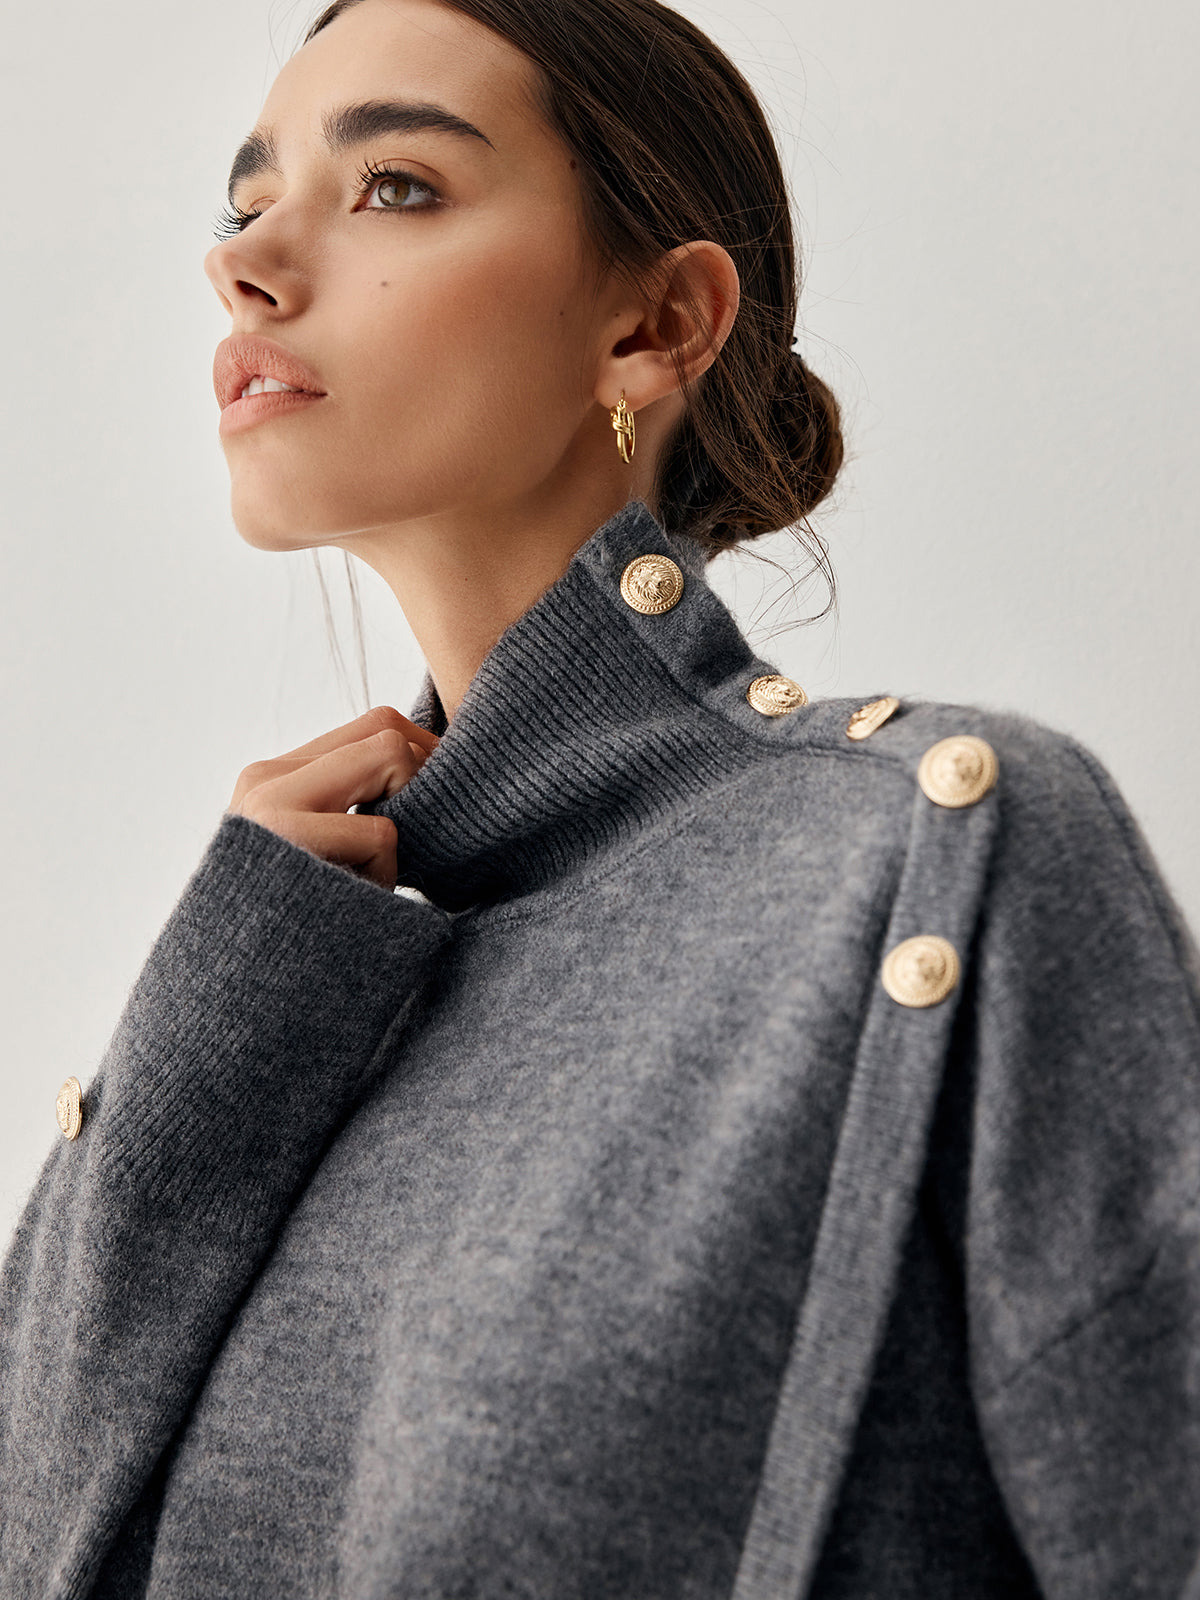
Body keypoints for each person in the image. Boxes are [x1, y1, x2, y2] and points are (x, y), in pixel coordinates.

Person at [2, 0, 1198, 1595]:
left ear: (655, 326)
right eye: (243, 202)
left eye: (395, 187)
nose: (247, 262)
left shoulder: (928, 861)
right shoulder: (283, 976)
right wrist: (210, 1026)